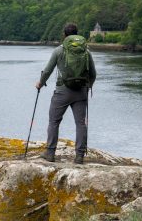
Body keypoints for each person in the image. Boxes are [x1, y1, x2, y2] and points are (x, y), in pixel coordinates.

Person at [35, 23, 96, 164]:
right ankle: (79, 156)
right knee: (81, 123)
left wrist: (40, 83)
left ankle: (50, 154)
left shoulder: (58, 50)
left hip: (62, 92)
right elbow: (93, 74)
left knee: (54, 122)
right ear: (77, 34)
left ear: (65, 35)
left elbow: (48, 70)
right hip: (81, 92)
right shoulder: (86, 51)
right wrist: (88, 86)